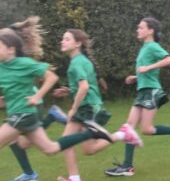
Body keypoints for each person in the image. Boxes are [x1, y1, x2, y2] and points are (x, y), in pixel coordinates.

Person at [0, 19, 114, 171]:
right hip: (21, 113)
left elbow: (53, 77)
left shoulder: (24, 63)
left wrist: (38, 96)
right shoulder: (3, 66)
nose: (62, 41)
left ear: (11, 49)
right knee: (51, 149)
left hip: (23, 113)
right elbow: (13, 86)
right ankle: (91, 133)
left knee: (19, 143)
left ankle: (58, 175)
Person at [51, 29, 144, 181]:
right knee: (87, 149)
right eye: (63, 38)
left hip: (86, 109)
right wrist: (68, 90)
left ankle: (75, 180)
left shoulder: (77, 62)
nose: (62, 41)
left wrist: (73, 108)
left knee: (66, 142)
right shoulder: (81, 61)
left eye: (67, 39)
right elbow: (87, 86)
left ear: (78, 43)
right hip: (89, 106)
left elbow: (85, 87)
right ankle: (123, 134)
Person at [104, 17, 170, 178]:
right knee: (129, 127)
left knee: (146, 129)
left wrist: (148, 67)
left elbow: (169, 60)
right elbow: (147, 71)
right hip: (143, 90)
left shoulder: (152, 46)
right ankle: (127, 166)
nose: (137, 30)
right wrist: (136, 76)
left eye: (141, 27)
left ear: (150, 30)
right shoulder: (145, 47)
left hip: (152, 91)